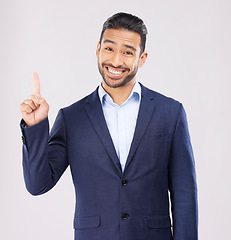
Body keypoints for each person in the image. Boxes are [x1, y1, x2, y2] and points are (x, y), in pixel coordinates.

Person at [20, 12, 198, 240]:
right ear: (98, 49)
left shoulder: (170, 113)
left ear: (141, 58)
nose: (115, 61)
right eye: (109, 48)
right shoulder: (72, 118)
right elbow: (37, 184)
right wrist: (35, 127)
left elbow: (184, 195)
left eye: (127, 52)